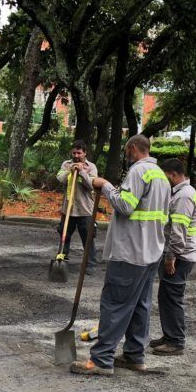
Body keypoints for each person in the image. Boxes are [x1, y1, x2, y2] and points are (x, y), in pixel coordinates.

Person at [71, 135, 170, 376]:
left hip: (130, 252)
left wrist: (104, 185)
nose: (126, 156)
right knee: (139, 305)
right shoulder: (161, 176)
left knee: (115, 304)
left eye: (127, 151)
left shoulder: (138, 172)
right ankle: (134, 355)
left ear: (133, 149)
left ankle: (102, 359)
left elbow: (125, 206)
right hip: (150, 252)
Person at [150, 158, 196, 355]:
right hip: (178, 253)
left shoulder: (184, 196)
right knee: (166, 295)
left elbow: (179, 230)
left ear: (172, 174)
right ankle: (169, 335)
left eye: (164, 176)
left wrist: (171, 256)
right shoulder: (179, 193)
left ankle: (176, 341)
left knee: (172, 297)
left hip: (181, 255)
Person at [55, 140, 97, 261]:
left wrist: (82, 172)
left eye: (79, 153)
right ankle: (61, 260)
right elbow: (60, 179)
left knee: (87, 237)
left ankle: (90, 264)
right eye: (74, 153)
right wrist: (70, 171)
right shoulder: (66, 164)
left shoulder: (91, 167)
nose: (76, 156)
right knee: (64, 235)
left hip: (85, 209)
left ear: (85, 153)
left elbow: (91, 185)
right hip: (68, 208)